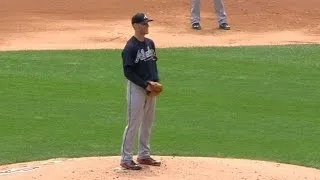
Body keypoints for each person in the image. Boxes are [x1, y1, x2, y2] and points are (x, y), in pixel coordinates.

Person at [119, 12, 162, 170]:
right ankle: (126, 158)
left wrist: (155, 82)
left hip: (150, 87)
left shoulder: (150, 43)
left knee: (147, 122)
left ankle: (143, 155)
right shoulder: (130, 47)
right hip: (136, 88)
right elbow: (128, 72)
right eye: (144, 24)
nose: (147, 25)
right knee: (133, 123)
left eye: (147, 23)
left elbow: (152, 64)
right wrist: (145, 85)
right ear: (136, 26)